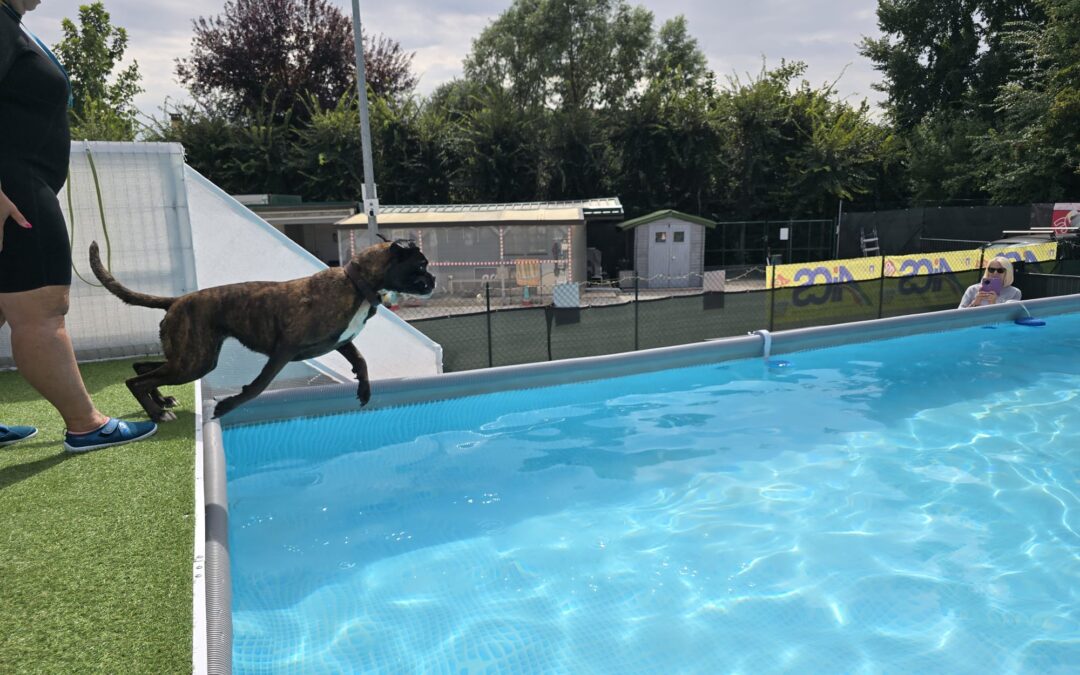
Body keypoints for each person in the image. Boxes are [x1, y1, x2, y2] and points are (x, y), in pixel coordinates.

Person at [0, 0, 156, 452]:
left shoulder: (11, 24)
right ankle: (86, 424)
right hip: (16, 190)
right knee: (44, 310)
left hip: (19, 182)